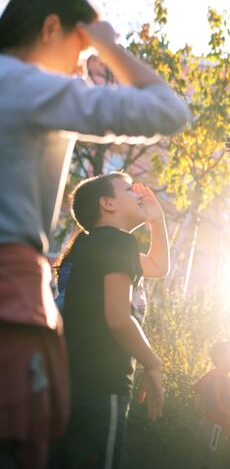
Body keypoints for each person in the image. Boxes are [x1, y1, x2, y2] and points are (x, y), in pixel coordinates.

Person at [0, 0, 190, 469]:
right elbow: (168, 110)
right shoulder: (27, 84)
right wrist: (106, 42)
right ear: (51, 28)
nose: (77, 69)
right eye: (78, 49)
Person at [50, 172, 169, 468]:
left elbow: (157, 266)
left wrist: (157, 219)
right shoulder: (119, 243)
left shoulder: (88, 246)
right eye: (129, 190)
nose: (139, 194)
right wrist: (153, 363)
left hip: (67, 384)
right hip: (101, 386)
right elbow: (118, 318)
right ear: (107, 203)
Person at [193, 340, 230, 468]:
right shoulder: (218, 377)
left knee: (208, 457)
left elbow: (198, 390)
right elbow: (218, 402)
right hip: (214, 426)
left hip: (214, 425)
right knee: (210, 460)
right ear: (220, 358)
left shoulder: (221, 378)